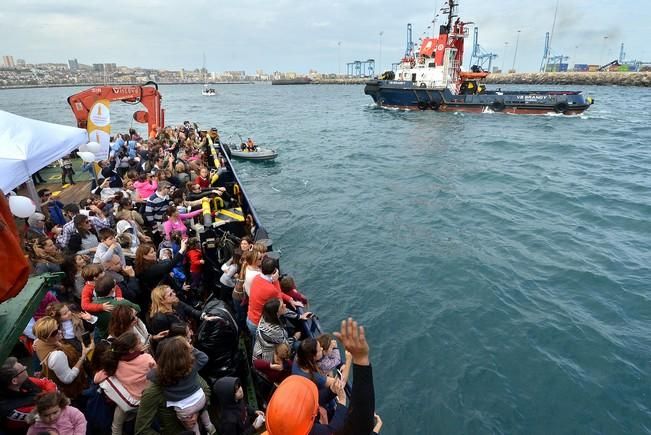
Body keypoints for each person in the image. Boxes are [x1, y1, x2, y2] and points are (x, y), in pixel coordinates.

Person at [264, 318, 378, 435]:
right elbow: (332, 430)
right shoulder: (313, 376)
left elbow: (314, 401)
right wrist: (354, 359)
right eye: (319, 350)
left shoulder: (298, 360)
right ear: (312, 356)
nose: (322, 349)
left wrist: (331, 391)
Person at [147, 336, 216, 435]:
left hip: (184, 409)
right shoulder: (191, 366)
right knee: (202, 411)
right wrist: (192, 349)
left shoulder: (161, 374)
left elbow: (149, 376)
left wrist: (155, 367)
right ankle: (210, 426)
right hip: (200, 399)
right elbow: (204, 358)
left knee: (192, 425)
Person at [94, 332, 156, 435]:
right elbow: (157, 373)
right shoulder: (146, 358)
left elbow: (96, 379)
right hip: (146, 400)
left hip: (126, 402)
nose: (142, 344)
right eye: (139, 343)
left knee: (116, 427)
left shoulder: (115, 363)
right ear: (131, 350)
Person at [32, 316, 93, 401]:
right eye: (55, 332)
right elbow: (68, 378)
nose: (60, 331)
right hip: (74, 390)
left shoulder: (38, 342)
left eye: (58, 327)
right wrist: (83, 356)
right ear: (46, 337)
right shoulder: (57, 356)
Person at [247, 257, 300, 339]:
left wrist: (289, 299)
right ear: (275, 271)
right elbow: (281, 305)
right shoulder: (271, 289)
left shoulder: (257, 278)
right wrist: (276, 281)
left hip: (250, 318)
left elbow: (275, 293)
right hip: (258, 324)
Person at [0, 357, 57, 434]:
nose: (25, 367)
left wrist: (50, 395)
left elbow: (47, 382)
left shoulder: (23, 381)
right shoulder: (13, 410)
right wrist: (51, 395)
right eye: (23, 369)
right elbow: (49, 409)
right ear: (14, 381)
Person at [147, 285, 217, 337]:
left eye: (173, 291)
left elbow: (191, 310)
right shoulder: (159, 319)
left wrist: (205, 316)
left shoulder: (176, 302)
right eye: (170, 294)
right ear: (162, 301)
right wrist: (186, 333)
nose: (175, 294)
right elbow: (167, 338)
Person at [92, 274, 141, 339]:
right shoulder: (122, 303)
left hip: (104, 335)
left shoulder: (92, 304)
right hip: (121, 334)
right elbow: (138, 308)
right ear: (113, 289)